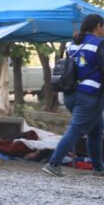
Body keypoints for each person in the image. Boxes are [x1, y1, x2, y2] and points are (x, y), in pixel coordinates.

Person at [42, 13, 104, 177]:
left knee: (95, 131)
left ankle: (98, 168)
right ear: (98, 26)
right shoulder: (99, 44)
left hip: (71, 94)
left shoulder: (73, 44)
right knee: (76, 130)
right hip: (90, 95)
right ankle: (53, 163)